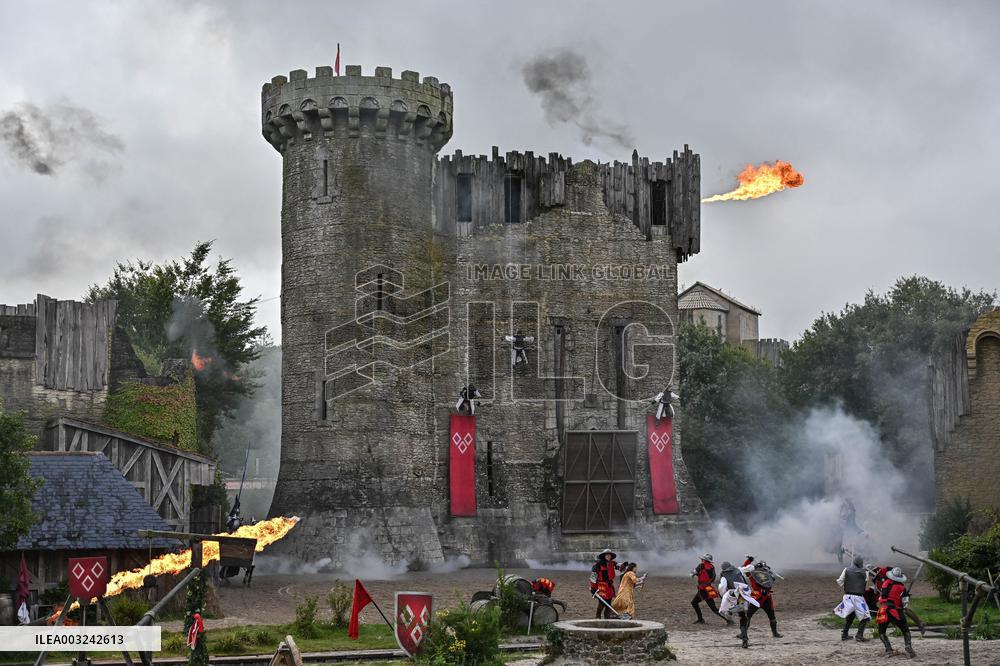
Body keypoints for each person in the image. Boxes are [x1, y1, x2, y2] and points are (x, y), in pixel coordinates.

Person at [876, 567, 916, 657]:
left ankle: (888, 649)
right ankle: (908, 645)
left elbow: (881, 597)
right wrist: (907, 596)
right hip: (894, 610)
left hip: (883, 610)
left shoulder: (885, 583)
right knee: (905, 630)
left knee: (882, 631)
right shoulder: (902, 587)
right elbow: (904, 603)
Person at [718, 560, 760, 648]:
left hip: (735, 596)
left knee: (741, 614)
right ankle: (744, 638)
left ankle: (731, 611)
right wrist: (756, 565)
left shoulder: (724, 577)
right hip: (744, 594)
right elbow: (749, 568)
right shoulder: (738, 570)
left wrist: (724, 596)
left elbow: (722, 587)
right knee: (743, 616)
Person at [742, 556, 783, 639]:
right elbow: (744, 568)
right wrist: (750, 560)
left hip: (764, 597)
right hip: (758, 597)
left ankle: (775, 633)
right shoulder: (754, 573)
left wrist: (749, 561)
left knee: (771, 616)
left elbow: (771, 580)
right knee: (748, 615)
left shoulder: (762, 573)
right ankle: (743, 634)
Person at [834, 554, 872, 642]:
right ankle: (859, 635)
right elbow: (865, 584)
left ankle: (845, 634)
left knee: (851, 616)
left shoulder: (846, 570)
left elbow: (840, 581)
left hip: (847, 596)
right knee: (865, 617)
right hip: (858, 597)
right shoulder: (865, 572)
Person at [691, 553, 729, 624]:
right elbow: (713, 578)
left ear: (704, 560)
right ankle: (728, 620)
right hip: (709, 588)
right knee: (713, 608)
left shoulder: (701, 565)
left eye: (703, 559)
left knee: (694, 603)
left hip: (703, 589)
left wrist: (694, 574)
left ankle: (701, 619)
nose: (702, 560)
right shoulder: (712, 567)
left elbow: (694, 572)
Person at [590, 548, 617, 619]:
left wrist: (624, 565)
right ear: (604, 556)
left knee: (608, 603)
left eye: (609, 555)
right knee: (602, 603)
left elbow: (619, 566)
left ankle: (607, 617)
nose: (608, 556)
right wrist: (593, 588)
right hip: (601, 586)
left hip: (609, 586)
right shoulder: (597, 565)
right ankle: (597, 616)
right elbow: (593, 577)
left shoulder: (612, 563)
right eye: (607, 555)